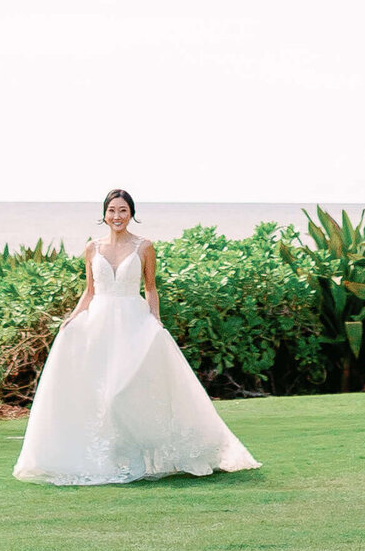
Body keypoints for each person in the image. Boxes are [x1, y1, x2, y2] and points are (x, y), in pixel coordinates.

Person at [13, 187, 260, 487]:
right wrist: (73, 318)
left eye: (123, 211)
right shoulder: (92, 248)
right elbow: (89, 292)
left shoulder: (144, 247)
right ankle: (113, 458)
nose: (117, 216)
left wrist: (155, 321)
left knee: (124, 392)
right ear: (104, 214)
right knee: (102, 394)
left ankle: (139, 457)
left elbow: (150, 288)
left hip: (133, 322)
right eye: (112, 211)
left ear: (131, 214)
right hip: (99, 327)